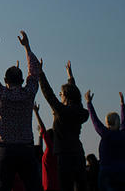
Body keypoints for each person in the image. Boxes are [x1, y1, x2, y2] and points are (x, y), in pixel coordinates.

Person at [0, 30, 42, 191]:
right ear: (22, 80)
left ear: (5, 80)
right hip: (26, 149)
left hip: (5, 150)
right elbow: (35, 72)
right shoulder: (28, 93)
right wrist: (27, 48)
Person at [39, 62, 89, 191]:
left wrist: (40, 74)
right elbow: (75, 98)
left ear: (65, 96)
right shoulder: (79, 111)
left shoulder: (62, 111)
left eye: (61, 94)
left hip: (64, 157)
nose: (59, 95)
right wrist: (70, 77)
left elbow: (48, 94)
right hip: (78, 153)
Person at [86, 91, 125, 191]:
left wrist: (89, 104)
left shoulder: (106, 134)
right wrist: (122, 105)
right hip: (124, 172)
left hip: (108, 174)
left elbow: (95, 121)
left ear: (107, 123)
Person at [33, 104, 59, 191]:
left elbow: (43, 129)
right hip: (56, 184)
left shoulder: (50, 149)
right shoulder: (57, 150)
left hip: (48, 185)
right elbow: (55, 130)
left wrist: (36, 113)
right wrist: (54, 116)